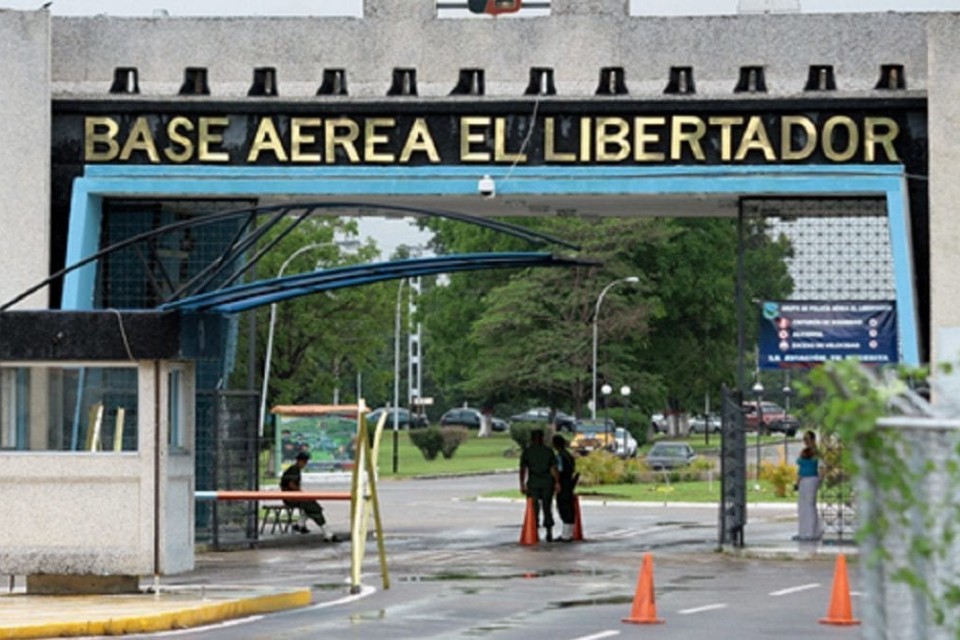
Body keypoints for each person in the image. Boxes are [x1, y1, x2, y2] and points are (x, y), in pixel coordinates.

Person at [280, 451, 339, 541]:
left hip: (293, 497)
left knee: (311, 505)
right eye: (304, 462)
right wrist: (301, 493)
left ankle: (299, 525)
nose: (305, 464)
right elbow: (291, 484)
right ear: (299, 461)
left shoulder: (294, 469)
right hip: (291, 498)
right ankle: (328, 534)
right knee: (313, 508)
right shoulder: (294, 469)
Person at [519, 429, 560, 541]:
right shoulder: (548, 451)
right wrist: (557, 482)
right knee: (547, 507)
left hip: (533, 483)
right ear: (542, 438)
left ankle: (534, 530)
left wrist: (522, 484)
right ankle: (549, 531)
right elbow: (553, 469)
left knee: (534, 508)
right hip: (547, 482)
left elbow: (523, 469)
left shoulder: (527, 452)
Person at [795, 430, 822, 541]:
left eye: (808, 439)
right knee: (803, 506)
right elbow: (800, 469)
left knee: (810, 505)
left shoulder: (816, 453)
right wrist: (797, 481)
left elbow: (821, 467)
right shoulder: (804, 452)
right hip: (803, 480)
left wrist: (820, 480)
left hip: (811, 479)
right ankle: (803, 531)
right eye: (804, 439)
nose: (806, 441)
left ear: (813, 439)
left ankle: (811, 532)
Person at [552, 433, 578, 542]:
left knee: (563, 507)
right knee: (569, 507)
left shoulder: (559, 456)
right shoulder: (569, 455)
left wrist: (556, 482)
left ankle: (566, 535)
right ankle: (568, 533)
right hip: (570, 482)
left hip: (563, 483)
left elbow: (558, 470)